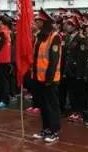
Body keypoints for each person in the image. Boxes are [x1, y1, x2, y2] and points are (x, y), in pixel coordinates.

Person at [31, 9, 63, 143]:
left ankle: (55, 131)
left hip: (50, 79)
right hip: (39, 78)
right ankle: (46, 129)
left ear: (44, 23)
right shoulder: (40, 36)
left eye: (38, 21)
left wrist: (48, 79)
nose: (36, 23)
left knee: (52, 106)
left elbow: (54, 60)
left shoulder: (54, 36)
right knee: (43, 106)